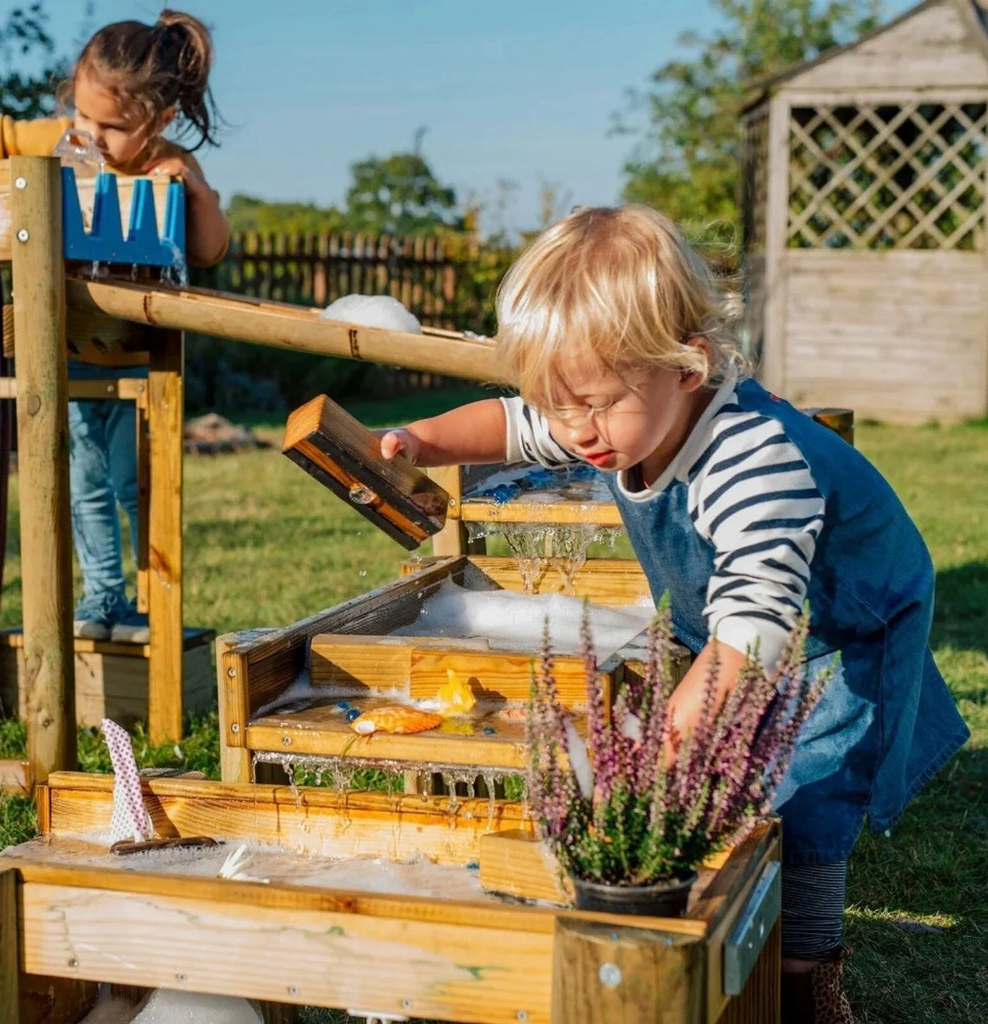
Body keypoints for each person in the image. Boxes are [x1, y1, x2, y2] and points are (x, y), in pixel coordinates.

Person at [380, 205, 969, 1024]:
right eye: (556, 404)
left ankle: (807, 972)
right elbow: (511, 426)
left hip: (841, 627)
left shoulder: (754, 457)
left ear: (688, 367)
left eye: (593, 405)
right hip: (734, 616)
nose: (573, 431)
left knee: (808, 791)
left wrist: (681, 728)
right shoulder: (611, 414)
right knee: (709, 754)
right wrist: (424, 439)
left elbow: (758, 623)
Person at [0, 10, 230, 642]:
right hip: (67, 349)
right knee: (83, 486)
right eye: (84, 116)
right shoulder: (58, 139)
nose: (92, 135)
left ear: (160, 121)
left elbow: (211, 248)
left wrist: (194, 190)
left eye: (113, 126)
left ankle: (147, 604)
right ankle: (102, 599)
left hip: (145, 362)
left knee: (138, 486)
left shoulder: (167, 163)